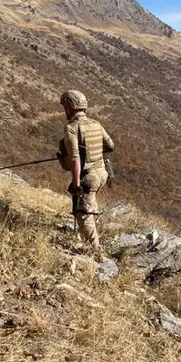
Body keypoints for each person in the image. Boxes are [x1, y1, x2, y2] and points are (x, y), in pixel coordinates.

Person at [58, 90, 114, 257]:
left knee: (83, 213)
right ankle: (93, 230)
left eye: (65, 107)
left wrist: (76, 184)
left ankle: (96, 251)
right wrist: (93, 150)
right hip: (102, 173)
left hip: (88, 176)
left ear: (69, 108)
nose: (64, 111)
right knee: (89, 203)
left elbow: (75, 159)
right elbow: (110, 145)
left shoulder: (72, 128)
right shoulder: (96, 124)